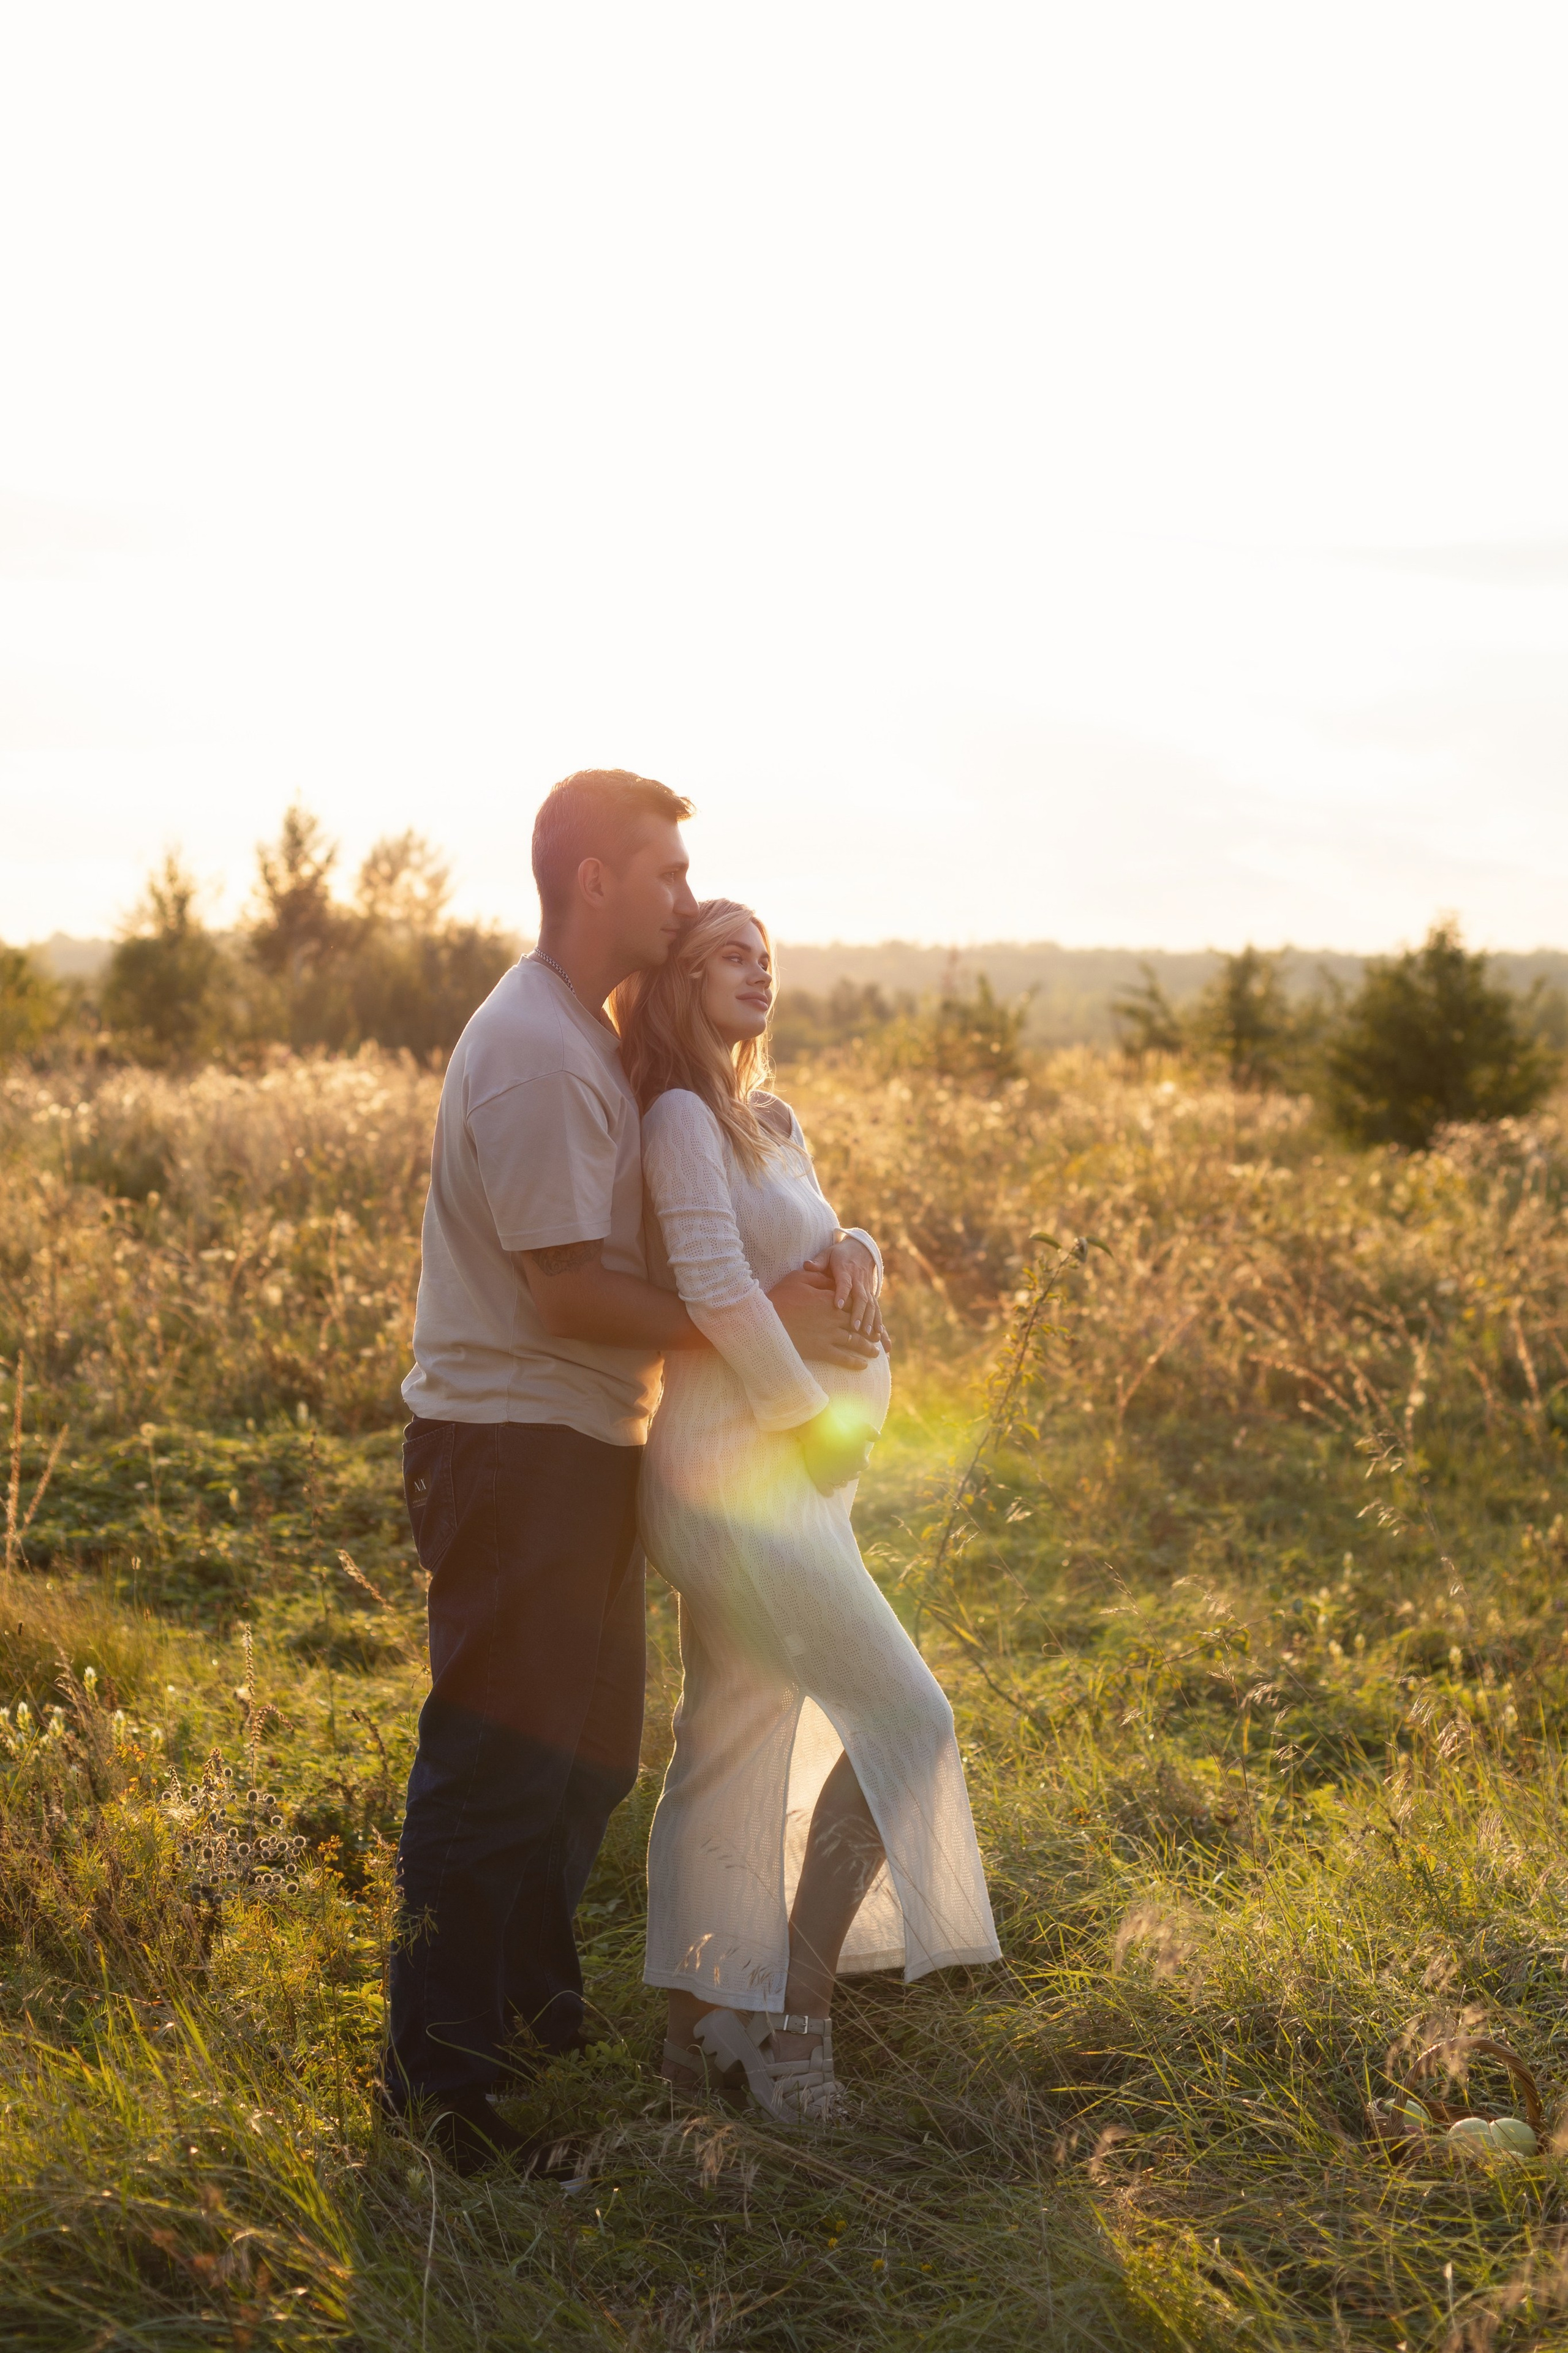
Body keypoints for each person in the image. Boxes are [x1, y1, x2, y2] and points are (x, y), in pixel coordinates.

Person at [384, 772, 879, 2174]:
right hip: (512, 1444)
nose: (684, 896)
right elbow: (563, 1296)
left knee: (588, 1750)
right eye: (665, 873)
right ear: (593, 880)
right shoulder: (541, 1050)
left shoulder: (590, 1040)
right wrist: (755, 1325)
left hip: (585, 1443)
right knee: (492, 1763)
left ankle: (537, 2014)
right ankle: (440, 2093)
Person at [616, 899, 1000, 2126]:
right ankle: (793, 2016)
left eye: (765, 955)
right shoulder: (679, 1116)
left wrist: (864, 1245)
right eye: (729, 954)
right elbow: (721, 1290)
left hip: (785, 1487)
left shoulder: (766, 1116)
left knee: (729, 1731)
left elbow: (813, 1234)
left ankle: (696, 2033)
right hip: (737, 1478)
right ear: (677, 983)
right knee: (908, 1714)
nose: (756, 970)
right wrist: (809, 1421)